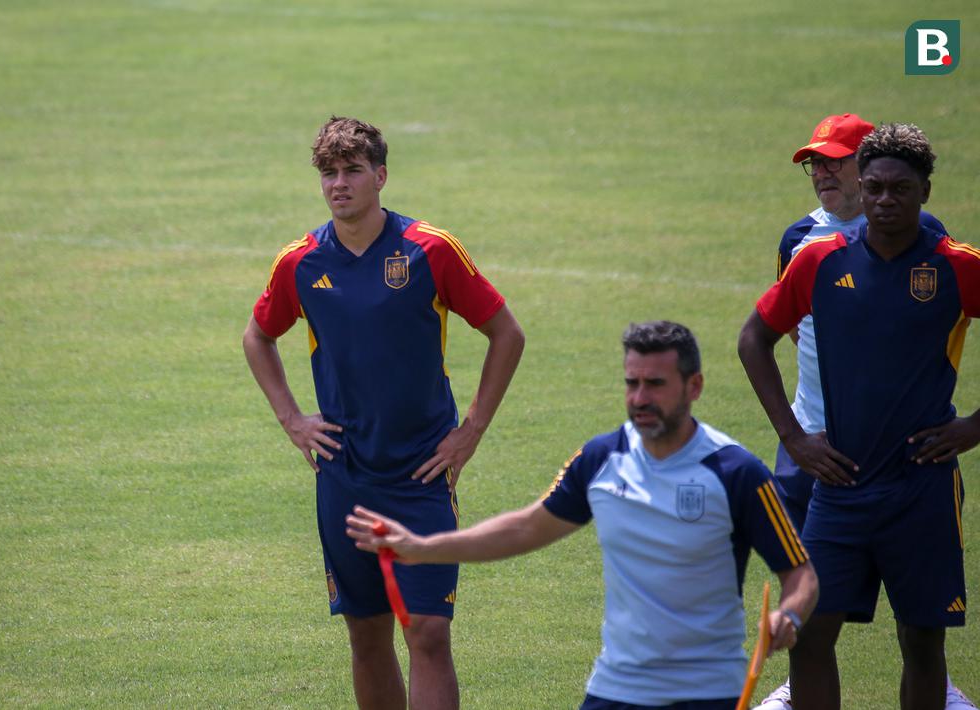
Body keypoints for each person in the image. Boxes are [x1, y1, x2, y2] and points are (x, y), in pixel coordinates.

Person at [348, 321, 818, 710]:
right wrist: (421, 548)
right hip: (616, 687)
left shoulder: (735, 472)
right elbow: (526, 527)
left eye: (656, 384)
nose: (639, 398)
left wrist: (790, 618)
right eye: (632, 383)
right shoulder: (603, 459)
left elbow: (801, 575)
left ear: (693, 387)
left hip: (705, 691)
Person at [242, 116, 525, 710]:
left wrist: (470, 431)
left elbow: (506, 332)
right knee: (367, 635)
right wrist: (293, 420)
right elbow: (257, 336)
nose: (338, 184)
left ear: (381, 176)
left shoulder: (430, 250)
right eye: (328, 173)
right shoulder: (300, 262)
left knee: (427, 632)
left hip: (423, 474)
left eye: (351, 171)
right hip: (345, 476)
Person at [739, 123, 979, 710]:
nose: (883, 201)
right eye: (873, 188)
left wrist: (974, 427)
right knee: (812, 637)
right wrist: (793, 437)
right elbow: (754, 339)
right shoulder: (818, 259)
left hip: (921, 485)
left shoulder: (956, 264)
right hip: (839, 487)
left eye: (899, 189)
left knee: (923, 643)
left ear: (924, 190)